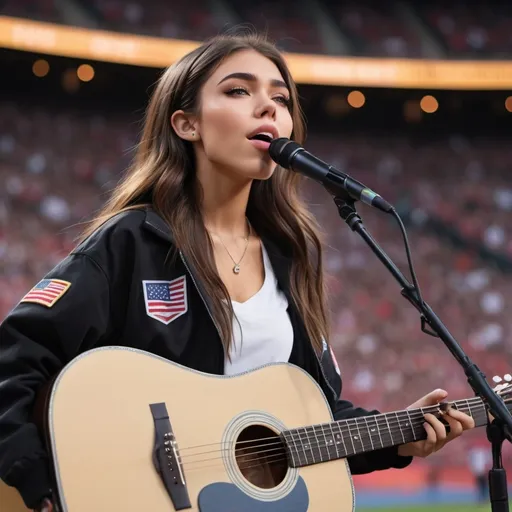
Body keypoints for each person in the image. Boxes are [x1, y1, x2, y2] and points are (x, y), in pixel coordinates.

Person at [0, 32, 475, 512]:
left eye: (282, 98)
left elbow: (311, 418)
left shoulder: (292, 256)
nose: (269, 108)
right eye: (238, 90)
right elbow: (13, 362)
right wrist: (39, 487)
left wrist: (400, 437)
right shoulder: (130, 242)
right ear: (187, 124)